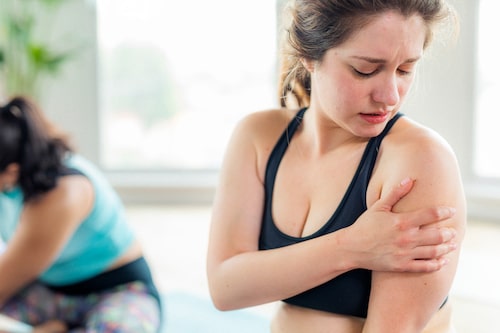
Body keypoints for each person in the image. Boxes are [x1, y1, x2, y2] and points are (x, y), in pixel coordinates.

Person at [206, 0, 466, 332]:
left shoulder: (421, 159)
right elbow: (226, 288)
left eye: (405, 69)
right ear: (309, 56)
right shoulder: (258, 137)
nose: (389, 95)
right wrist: (354, 247)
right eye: (365, 70)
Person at [0, 96, 161, 332]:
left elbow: (5, 282)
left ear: (11, 172)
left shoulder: (64, 193)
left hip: (117, 292)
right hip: (47, 292)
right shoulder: (8, 183)